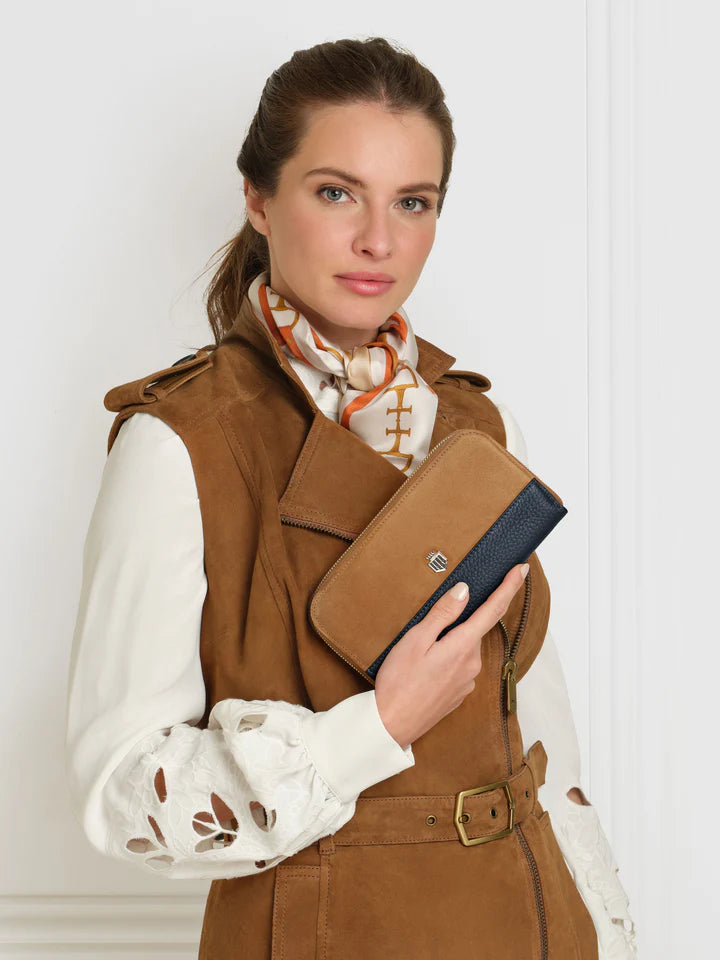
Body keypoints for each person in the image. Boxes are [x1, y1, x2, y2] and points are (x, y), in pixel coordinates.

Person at [64, 35, 637, 960]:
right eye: (337, 193)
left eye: (413, 202)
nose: (380, 239)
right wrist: (377, 726)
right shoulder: (180, 444)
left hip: (531, 923)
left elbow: (540, 732)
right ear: (259, 199)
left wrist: (605, 930)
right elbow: (120, 791)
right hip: (322, 932)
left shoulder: (477, 427)